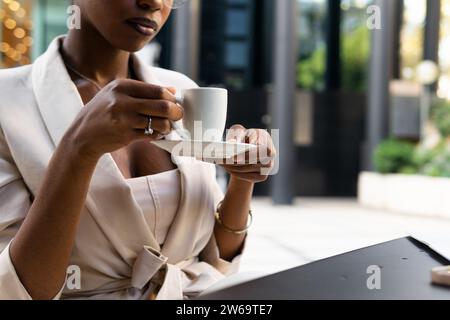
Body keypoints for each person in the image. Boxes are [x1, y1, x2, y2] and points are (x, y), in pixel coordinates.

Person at [0, 0, 275, 300]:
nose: (154, 2)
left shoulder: (183, 90)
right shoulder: (8, 102)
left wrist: (242, 179)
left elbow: (213, 261)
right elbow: (16, 289)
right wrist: (79, 148)